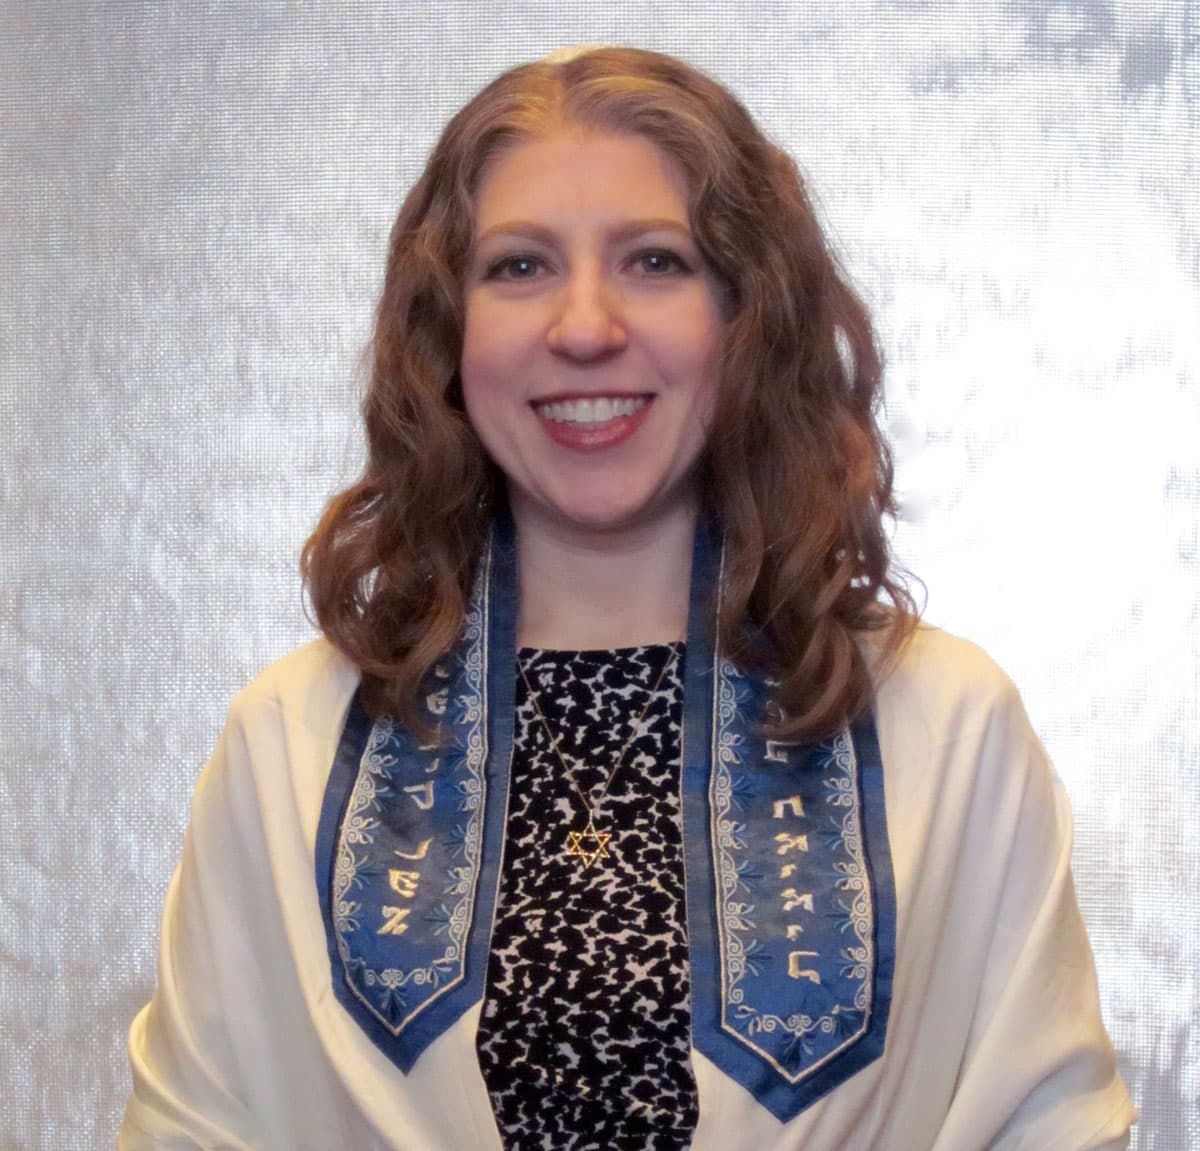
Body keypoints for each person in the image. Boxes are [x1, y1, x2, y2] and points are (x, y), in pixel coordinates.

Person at [121, 46, 1134, 1151]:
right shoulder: (293, 741)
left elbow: (1056, 1129)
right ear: (445, 335)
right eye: (519, 267)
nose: (586, 325)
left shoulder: (945, 723)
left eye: (655, 260)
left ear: (748, 317)